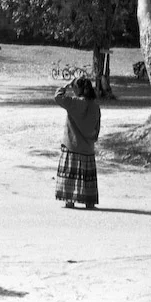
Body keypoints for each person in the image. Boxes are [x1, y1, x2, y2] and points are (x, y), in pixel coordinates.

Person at [54, 77, 101, 209]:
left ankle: (69, 200)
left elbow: (58, 97)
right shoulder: (95, 106)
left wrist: (65, 86)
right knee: (87, 177)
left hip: (72, 145)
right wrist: (92, 139)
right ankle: (89, 202)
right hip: (87, 147)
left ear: (78, 89)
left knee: (70, 174)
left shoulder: (74, 103)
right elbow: (97, 127)